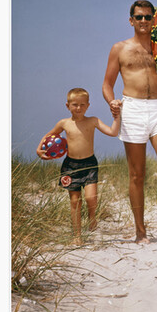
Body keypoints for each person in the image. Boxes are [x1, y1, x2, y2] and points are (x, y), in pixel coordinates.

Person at [102, 0, 157, 243]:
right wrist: (111, 102)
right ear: (131, 20)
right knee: (137, 175)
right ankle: (140, 230)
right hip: (133, 109)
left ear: (154, 20)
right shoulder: (120, 48)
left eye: (148, 17)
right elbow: (108, 84)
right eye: (138, 17)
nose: (143, 21)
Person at [36, 87, 122, 242]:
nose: (79, 108)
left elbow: (113, 132)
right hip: (70, 166)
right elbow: (49, 135)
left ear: (88, 105)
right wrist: (39, 149)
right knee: (75, 201)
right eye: (75, 104)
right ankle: (77, 235)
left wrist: (117, 118)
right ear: (67, 106)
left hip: (89, 164)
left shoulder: (93, 121)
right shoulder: (64, 123)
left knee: (91, 198)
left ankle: (92, 218)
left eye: (82, 105)